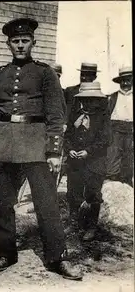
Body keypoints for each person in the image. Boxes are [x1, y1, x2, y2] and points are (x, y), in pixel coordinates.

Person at [0, 18, 83, 280]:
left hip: (36, 144)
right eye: (15, 41)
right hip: (5, 144)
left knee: (46, 202)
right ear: (8, 44)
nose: (20, 45)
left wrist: (53, 151)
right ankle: (6, 253)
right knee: (3, 203)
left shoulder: (45, 73)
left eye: (24, 41)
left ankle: (58, 257)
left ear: (33, 43)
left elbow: (55, 114)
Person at [64, 82, 111, 242]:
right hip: (75, 161)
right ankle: (73, 222)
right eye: (84, 99)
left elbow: (105, 140)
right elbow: (68, 135)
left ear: (97, 100)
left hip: (95, 162)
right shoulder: (75, 114)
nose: (87, 103)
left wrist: (88, 152)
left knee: (93, 193)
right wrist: (69, 149)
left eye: (91, 99)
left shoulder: (103, 117)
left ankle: (91, 226)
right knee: (73, 191)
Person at [106, 66, 133, 186]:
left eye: (128, 80)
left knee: (129, 156)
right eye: (123, 80)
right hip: (115, 129)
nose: (125, 83)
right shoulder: (112, 97)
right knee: (113, 155)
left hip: (131, 130)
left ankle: (127, 183)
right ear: (119, 82)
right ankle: (112, 183)